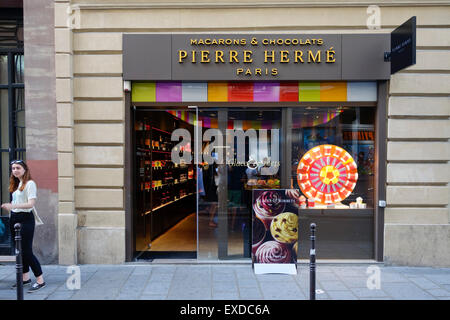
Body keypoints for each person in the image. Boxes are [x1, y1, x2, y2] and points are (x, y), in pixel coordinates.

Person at [1, 160, 45, 292]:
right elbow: (18, 201)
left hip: (25, 219)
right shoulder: (16, 184)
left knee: (26, 251)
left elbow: (30, 204)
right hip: (14, 218)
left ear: (25, 169)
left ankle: (40, 280)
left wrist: (12, 206)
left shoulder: (30, 183)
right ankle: (25, 278)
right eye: (13, 168)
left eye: (18, 168)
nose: (15, 170)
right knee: (19, 251)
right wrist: (11, 206)